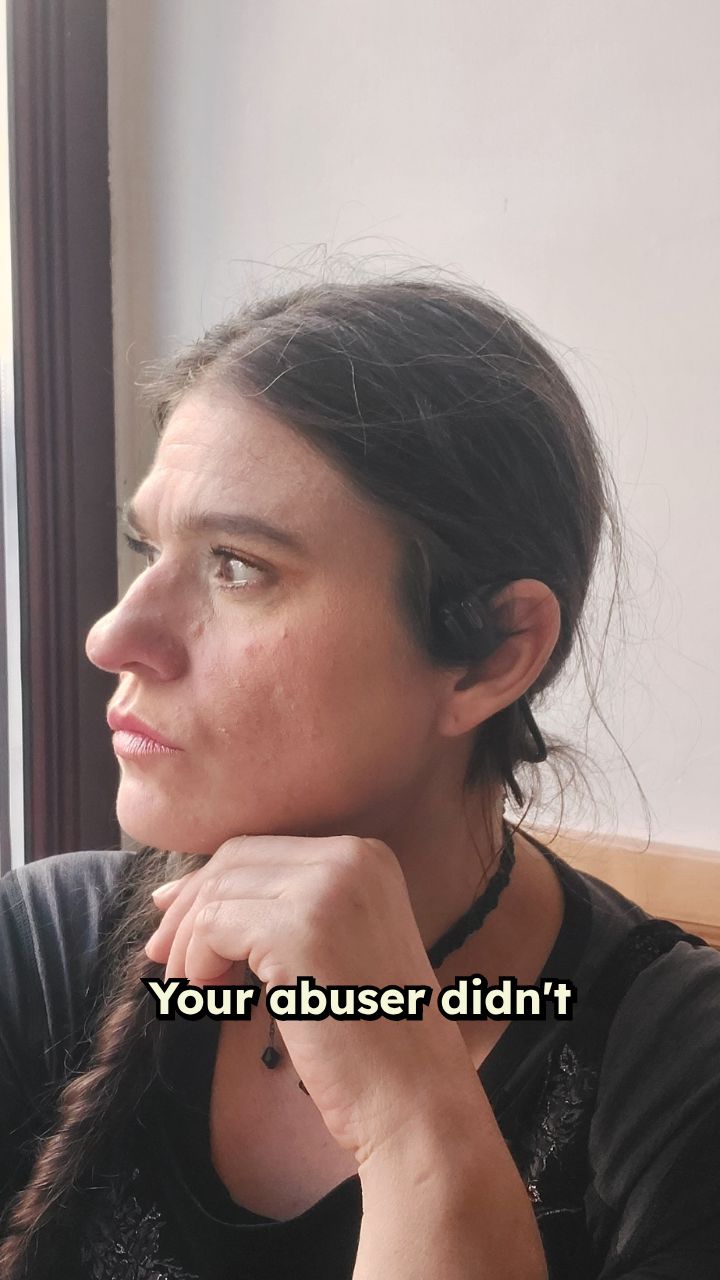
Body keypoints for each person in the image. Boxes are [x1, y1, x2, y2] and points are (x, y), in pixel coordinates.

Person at [0, 278, 718, 1280]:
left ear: (491, 652)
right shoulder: (44, 953)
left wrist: (413, 1114)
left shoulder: (680, 1078)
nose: (113, 636)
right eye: (148, 548)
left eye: (237, 564)